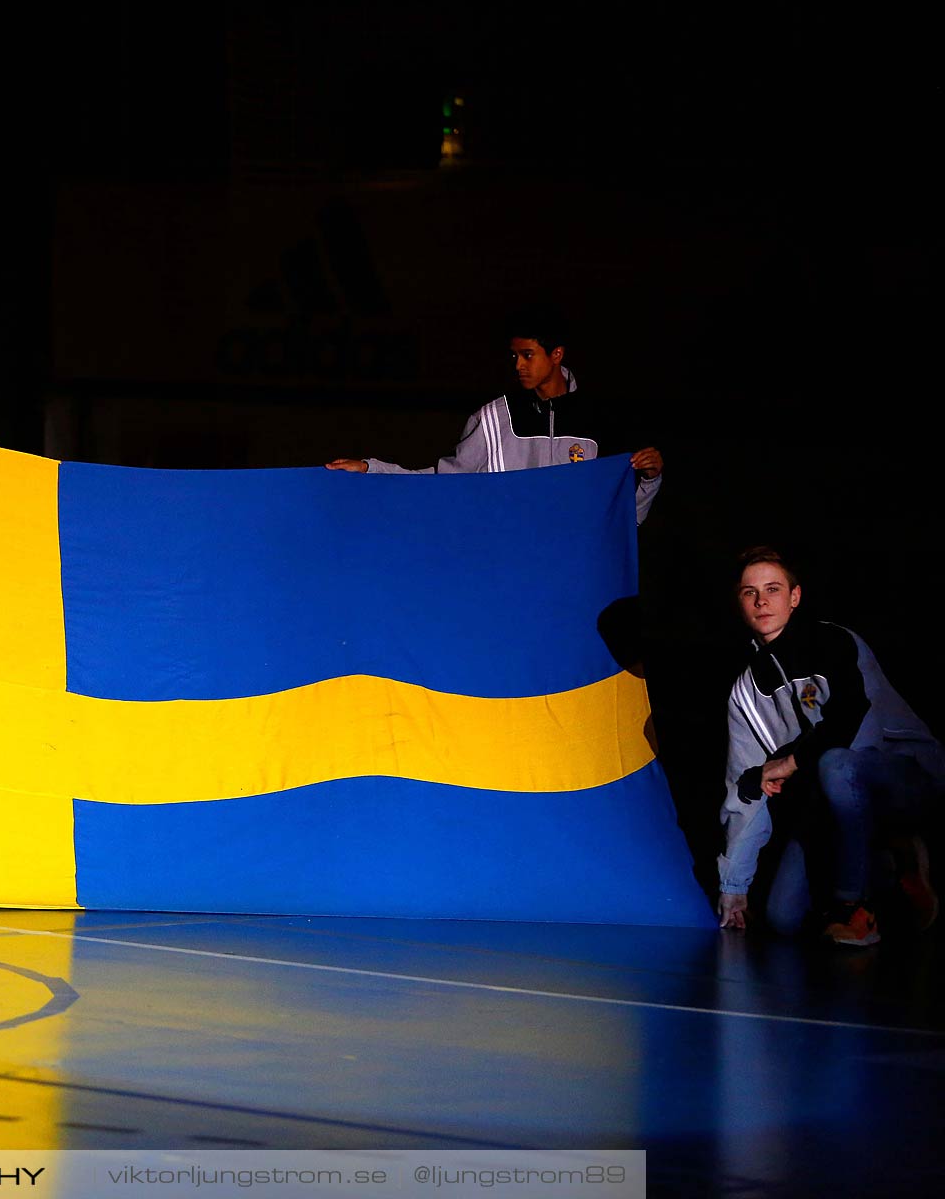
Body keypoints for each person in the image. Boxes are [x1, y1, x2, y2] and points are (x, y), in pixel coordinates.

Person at [716, 547, 941, 945]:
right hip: (830, 797)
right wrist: (734, 886)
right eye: (750, 592)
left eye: (773, 589)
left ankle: (853, 908)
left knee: (837, 766)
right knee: (782, 918)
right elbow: (745, 787)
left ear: (795, 597)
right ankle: (890, 862)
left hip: (900, 777)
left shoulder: (836, 642)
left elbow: (859, 737)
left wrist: (792, 762)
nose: (762, 601)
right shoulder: (745, 694)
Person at [325, 308, 664, 525]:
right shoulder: (494, 418)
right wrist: (372, 469)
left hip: (572, 585)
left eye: (528, 355)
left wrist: (650, 480)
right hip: (507, 576)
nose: (518, 365)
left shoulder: (599, 421)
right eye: (514, 355)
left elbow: (624, 520)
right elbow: (443, 484)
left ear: (556, 354)